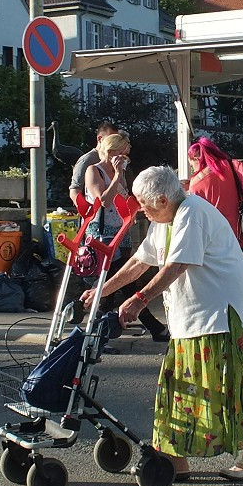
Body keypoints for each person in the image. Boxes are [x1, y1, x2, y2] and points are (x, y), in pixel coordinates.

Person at [83, 166, 243, 481]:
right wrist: (103, 289)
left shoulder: (192, 213)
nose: (141, 211)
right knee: (181, 389)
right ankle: (176, 460)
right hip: (196, 318)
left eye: (144, 204)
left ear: (161, 199)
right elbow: (139, 261)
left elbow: (178, 264)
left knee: (231, 387)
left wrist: (139, 300)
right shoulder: (165, 218)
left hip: (224, 316)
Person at [84, 133, 168, 342]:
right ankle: (154, 328)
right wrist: (116, 175)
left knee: (119, 283)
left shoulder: (120, 172)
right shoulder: (93, 170)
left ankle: (97, 333)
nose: (125, 159)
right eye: (122, 154)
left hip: (121, 234)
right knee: (119, 282)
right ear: (111, 152)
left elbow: (126, 200)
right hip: (102, 236)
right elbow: (103, 200)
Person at [187, 137, 243, 253]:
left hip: (214, 242)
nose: (193, 169)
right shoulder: (232, 165)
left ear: (196, 159)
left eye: (191, 166)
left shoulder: (195, 184)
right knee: (241, 270)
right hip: (238, 237)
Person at [69, 121, 118, 209]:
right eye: (110, 138)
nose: (114, 142)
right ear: (99, 139)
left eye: (116, 139)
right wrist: (88, 212)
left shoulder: (116, 158)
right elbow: (75, 190)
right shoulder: (87, 160)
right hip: (97, 216)